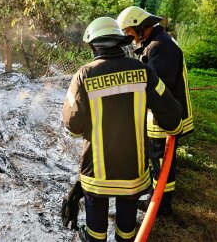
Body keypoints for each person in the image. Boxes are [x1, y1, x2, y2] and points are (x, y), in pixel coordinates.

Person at [62, 17, 183, 242]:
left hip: (96, 174)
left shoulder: (83, 75)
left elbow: (73, 124)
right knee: (127, 233)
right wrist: (174, 128)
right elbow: (170, 112)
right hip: (132, 173)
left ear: (92, 45)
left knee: (95, 233)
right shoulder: (143, 71)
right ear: (120, 42)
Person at [117, 6, 194, 216]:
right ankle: (156, 196)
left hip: (165, 116)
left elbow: (156, 88)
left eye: (127, 31)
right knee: (157, 158)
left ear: (140, 27)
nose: (126, 36)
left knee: (161, 160)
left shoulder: (161, 46)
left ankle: (161, 205)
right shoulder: (155, 43)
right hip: (161, 114)